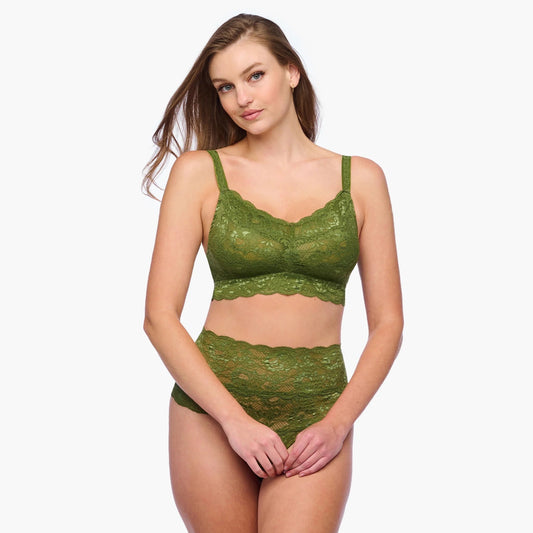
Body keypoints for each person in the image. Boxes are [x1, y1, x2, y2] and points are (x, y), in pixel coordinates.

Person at [142, 13, 403, 533]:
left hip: (318, 413)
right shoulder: (199, 173)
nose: (242, 98)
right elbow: (158, 317)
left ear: (291, 71)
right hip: (212, 410)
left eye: (255, 76)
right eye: (225, 87)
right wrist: (234, 421)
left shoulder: (362, 179)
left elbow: (389, 325)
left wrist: (338, 424)